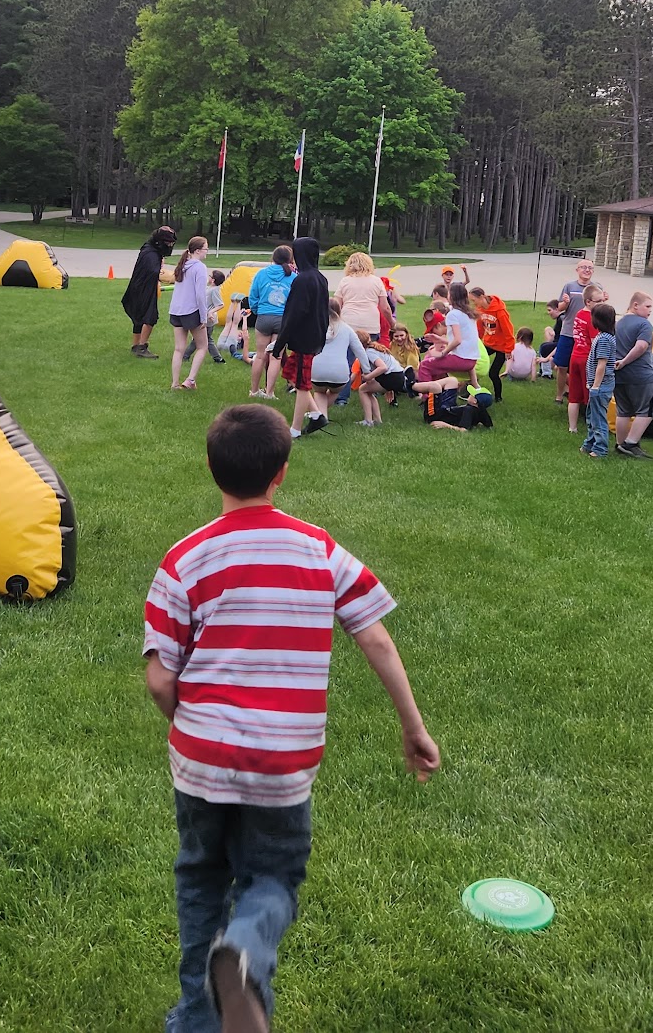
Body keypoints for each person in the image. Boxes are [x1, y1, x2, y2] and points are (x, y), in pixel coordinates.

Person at [143, 405, 438, 1033]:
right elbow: (376, 639)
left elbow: (161, 679)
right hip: (283, 764)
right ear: (282, 471)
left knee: (200, 879)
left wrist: (186, 721)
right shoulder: (319, 550)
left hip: (200, 760)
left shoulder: (184, 559)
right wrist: (413, 728)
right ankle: (246, 948)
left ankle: (198, 1017)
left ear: (210, 467)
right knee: (273, 876)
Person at [274, 238, 330, 438]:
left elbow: (294, 314)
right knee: (291, 373)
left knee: (302, 384)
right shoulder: (321, 278)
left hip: (305, 339)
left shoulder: (303, 280)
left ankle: (295, 429)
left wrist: (280, 342)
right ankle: (316, 415)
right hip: (314, 336)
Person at [308, 298, 380, 429]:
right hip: (340, 374)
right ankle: (320, 416)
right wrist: (367, 371)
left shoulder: (315, 326)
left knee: (319, 392)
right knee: (334, 391)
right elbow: (360, 351)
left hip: (317, 370)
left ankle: (320, 415)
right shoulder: (347, 329)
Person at [611, 291, 653, 459]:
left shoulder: (618, 323)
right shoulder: (644, 324)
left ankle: (620, 444)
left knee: (623, 411)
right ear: (635, 305)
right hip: (640, 375)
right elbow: (641, 346)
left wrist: (618, 363)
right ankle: (630, 443)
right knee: (649, 409)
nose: (650, 310)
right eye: (648, 306)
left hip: (619, 376)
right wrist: (625, 361)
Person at [247, 245, 295, 397]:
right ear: (290, 259)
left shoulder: (261, 274)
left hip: (263, 317)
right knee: (276, 357)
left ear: (273, 258)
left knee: (260, 355)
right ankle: (269, 393)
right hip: (282, 320)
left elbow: (253, 296)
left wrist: (257, 310)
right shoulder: (293, 277)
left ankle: (254, 390)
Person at [550, 259, 600, 404]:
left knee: (585, 367)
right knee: (562, 366)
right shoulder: (569, 286)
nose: (587, 270)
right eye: (584, 267)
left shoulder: (596, 288)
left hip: (587, 335)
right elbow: (559, 308)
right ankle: (560, 395)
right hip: (568, 332)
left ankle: (581, 397)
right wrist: (565, 302)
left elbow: (601, 309)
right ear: (577, 270)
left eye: (590, 268)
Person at [123, 226, 176, 358]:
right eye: (168, 243)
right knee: (150, 317)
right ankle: (141, 347)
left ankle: (136, 345)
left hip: (138, 287)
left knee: (139, 317)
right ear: (161, 242)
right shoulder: (151, 254)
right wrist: (168, 276)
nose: (170, 246)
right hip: (144, 289)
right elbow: (153, 272)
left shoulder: (148, 249)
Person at [169, 236, 213, 391]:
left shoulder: (182, 265)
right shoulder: (199, 267)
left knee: (179, 349)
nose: (207, 251)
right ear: (198, 250)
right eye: (206, 248)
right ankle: (190, 380)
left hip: (176, 311)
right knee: (203, 346)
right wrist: (204, 316)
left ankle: (175, 383)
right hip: (191, 311)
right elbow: (200, 295)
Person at [416, 289, 481, 385]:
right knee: (434, 364)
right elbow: (463, 342)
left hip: (463, 360)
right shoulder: (469, 313)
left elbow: (458, 340)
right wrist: (440, 340)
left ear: (452, 297)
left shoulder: (453, 314)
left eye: (449, 294)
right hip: (473, 361)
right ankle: (441, 390)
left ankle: (428, 393)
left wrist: (442, 353)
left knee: (425, 365)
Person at [582, 302, 618, 458]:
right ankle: (589, 444)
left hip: (601, 386)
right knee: (591, 416)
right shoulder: (604, 336)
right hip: (596, 385)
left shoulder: (604, 339)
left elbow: (601, 364)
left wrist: (596, 386)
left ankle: (600, 449)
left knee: (598, 419)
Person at [469, 286, 516, 400]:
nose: (474, 304)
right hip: (489, 343)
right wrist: (476, 342)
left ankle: (498, 397)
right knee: (472, 363)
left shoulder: (500, 311)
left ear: (481, 297)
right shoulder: (480, 309)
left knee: (493, 373)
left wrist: (508, 350)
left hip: (501, 347)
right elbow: (479, 328)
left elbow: (508, 331)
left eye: (474, 300)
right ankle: (471, 390)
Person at [565, 285, 598, 433]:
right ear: (588, 302)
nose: (601, 304)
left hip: (575, 356)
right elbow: (594, 341)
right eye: (598, 301)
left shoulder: (579, 314)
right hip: (587, 359)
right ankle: (593, 427)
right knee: (591, 394)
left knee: (574, 396)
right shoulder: (592, 319)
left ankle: (572, 427)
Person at [335, 251, 385, 342]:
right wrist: (392, 323)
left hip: (349, 323)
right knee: (370, 349)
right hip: (371, 324)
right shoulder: (377, 281)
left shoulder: (345, 281)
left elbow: (336, 305)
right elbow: (385, 308)